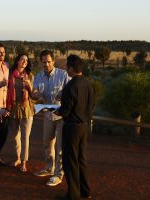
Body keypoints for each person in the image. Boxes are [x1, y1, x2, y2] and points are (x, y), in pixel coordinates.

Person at [54, 55, 94, 200]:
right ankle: (85, 191)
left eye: (67, 67)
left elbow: (65, 111)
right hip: (85, 126)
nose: (66, 70)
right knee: (82, 160)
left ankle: (73, 194)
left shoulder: (70, 86)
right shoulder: (88, 83)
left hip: (72, 128)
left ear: (71, 68)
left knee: (70, 161)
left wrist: (56, 111)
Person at [32, 50, 70, 186]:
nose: (46, 64)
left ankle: (58, 174)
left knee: (60, 146)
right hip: (47, 114)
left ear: (53, 61)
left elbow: (71, 91)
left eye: (49, 61)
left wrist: (64, 96)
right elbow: (34, 94)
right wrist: (36, 94)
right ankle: (49, 167)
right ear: (41, 62)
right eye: (44, 62)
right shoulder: (38, 76)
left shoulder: (63, 74)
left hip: (61, 115)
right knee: (47, 143)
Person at [7, 53, 34, 172]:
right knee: (15, 136)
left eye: (26, 60)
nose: (24, 61)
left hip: (26, 108)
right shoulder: (10, 75)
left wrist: (30, 87)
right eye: (22, 59)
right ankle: (18, 158)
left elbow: (34, 95)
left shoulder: (30, 76)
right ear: (17, 61)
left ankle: (24, 161)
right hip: (13, 108)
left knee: (25, 137)